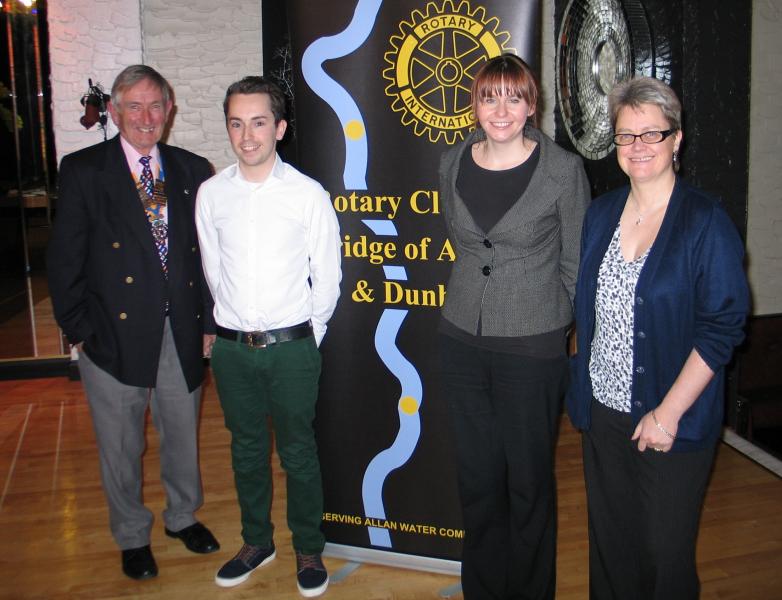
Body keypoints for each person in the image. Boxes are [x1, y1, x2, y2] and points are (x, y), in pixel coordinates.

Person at [566, 77, 750, 599]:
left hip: (671, 418)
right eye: (627, 136)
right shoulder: (600, 215)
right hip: (603, 411)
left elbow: (722, 329)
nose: (639, 146)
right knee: (611, 550)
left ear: (677, 140)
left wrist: (667, 414)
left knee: (664, 558)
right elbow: (592, 311)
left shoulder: (705, 221)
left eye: (653, 133)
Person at [47, 65, 219, 580]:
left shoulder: (193, 168)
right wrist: (79, 329)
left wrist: (209, 320)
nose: (146, 118)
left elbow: (206, 255)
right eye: (135, 107)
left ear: (170, 111)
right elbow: (64, 260)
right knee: (121, 441)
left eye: (156, 106)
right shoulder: (83, 170)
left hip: (181, 326)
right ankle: (130, 533)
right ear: (116, 112)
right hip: (111, 331)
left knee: (181, 432)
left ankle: (182, 516)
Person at [437, 54, 590, 599]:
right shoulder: (452, 162)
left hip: (532, 345)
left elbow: (576, 263)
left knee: (527, 484)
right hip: (461, 340)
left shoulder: (563, 171)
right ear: (474, 104)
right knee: (478, 481)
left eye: (513, 96)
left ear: (531, 104)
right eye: (488, 96)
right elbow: (462, 246)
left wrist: (551, 325)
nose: (501, 109)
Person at [195, 76, 341, 598]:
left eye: (259, 122)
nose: (247, 135)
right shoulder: (211, 195)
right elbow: (214, 271)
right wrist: (230, 329)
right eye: (237, 123)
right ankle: (257, 541)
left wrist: (308, 337)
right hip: (233, 352)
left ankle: (307, 547)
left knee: (299, 453)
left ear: (279, 127)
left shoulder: (306, 194)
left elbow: (327, 277)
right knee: (246, 452)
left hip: (293, 348)